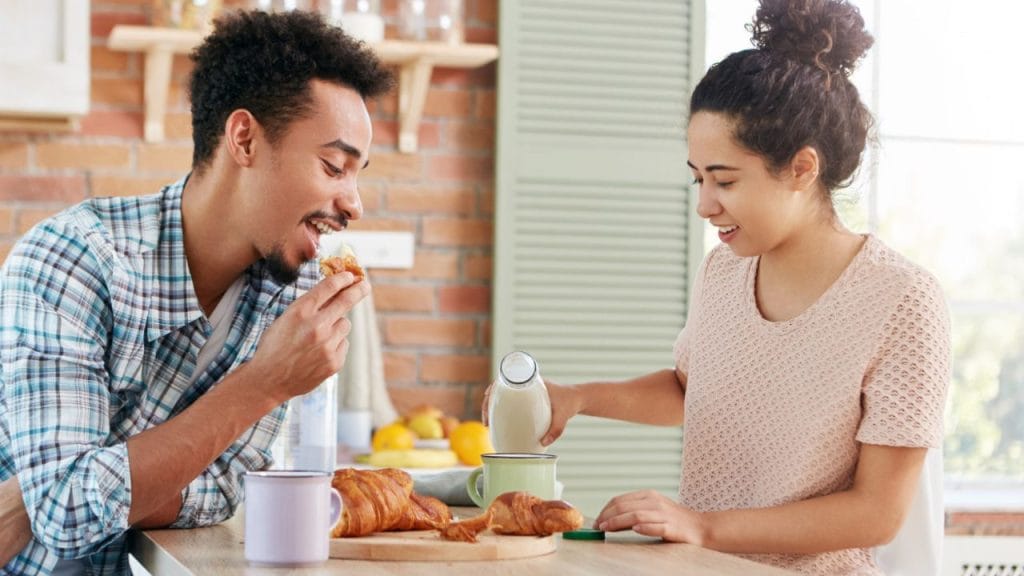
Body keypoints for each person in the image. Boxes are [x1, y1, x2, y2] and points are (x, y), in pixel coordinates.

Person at [483, 1, 951, 574]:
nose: (705, 205)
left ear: (803, 170)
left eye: (724, 180)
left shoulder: (902, 300)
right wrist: (578, 398)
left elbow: (876, 513)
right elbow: (692, 390)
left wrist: (703, 526)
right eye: (698, 177)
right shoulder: (725, 271)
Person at [0, 9, 392, 575]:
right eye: (334, 167)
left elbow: (229, 490)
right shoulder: (74, 261)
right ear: (244, 138)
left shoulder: (293, 289)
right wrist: (264, 383)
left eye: (358, 174)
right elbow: (66, 511)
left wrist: (88, 480)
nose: (354, 202)